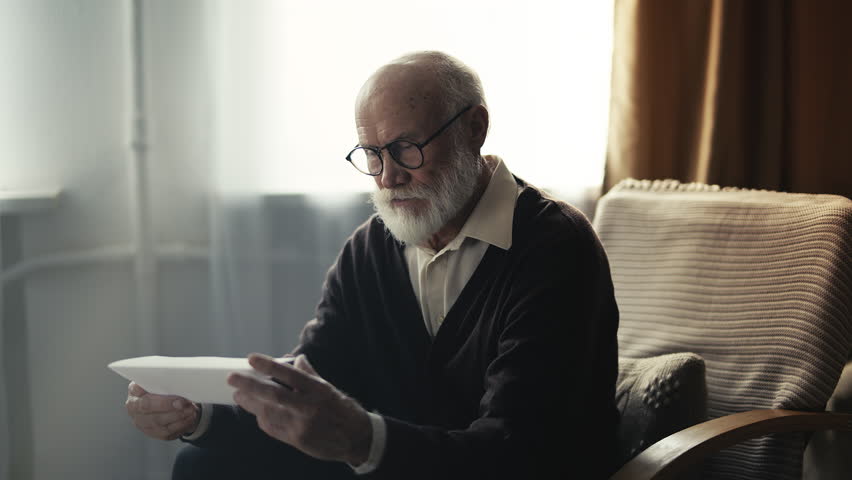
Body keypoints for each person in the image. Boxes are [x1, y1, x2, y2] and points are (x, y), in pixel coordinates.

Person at [125, 51, 620, 479]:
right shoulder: (370, 250)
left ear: (475, 129)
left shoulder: (555, 249)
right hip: (397, 468)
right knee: (205, 465)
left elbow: (519, 452)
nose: (387, 177)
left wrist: (363, 441)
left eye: (406, 147)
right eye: (372, 154)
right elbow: (314, 382)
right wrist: (198, 417)